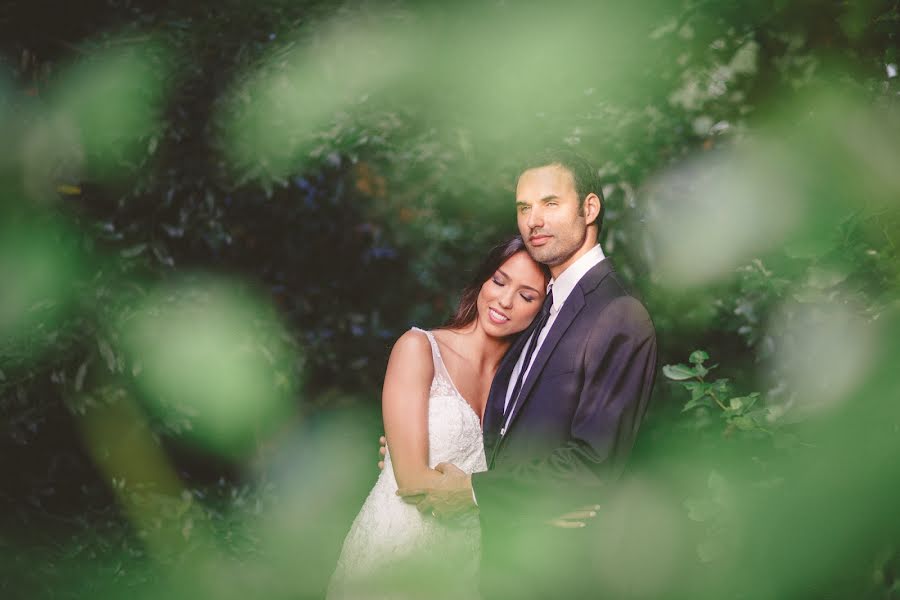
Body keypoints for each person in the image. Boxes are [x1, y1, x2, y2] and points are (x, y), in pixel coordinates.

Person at [395, 150, 658, 598]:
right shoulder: (541, 310)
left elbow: (592, 464)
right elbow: (509, 430)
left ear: (589, 209)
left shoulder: (618, 314)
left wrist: (476, 494)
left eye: (550, 203)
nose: (533, 219)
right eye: (524, 207)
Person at [326, 236, 550, 599]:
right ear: (482, 280)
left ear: (540, 311)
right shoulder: (419, 349)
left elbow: (528, 470)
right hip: (394, 551)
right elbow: (412, 479)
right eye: (499, 280)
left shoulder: (522, 388)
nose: (505, 301)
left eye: (527, 296)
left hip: (463, 565)